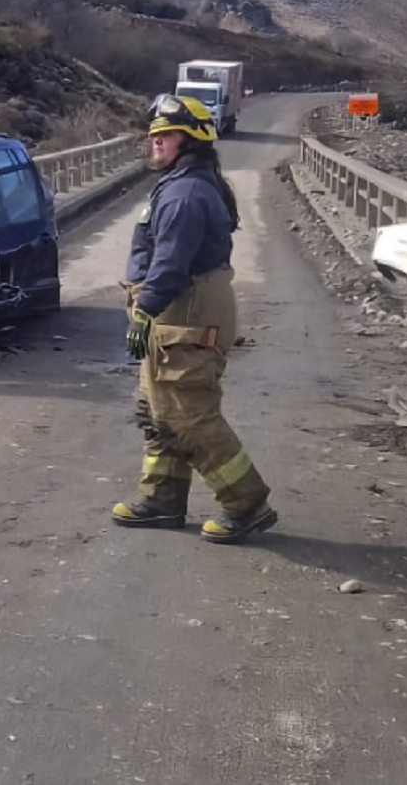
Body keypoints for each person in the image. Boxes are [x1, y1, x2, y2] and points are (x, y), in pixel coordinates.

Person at [111, 94, 277, 544]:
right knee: (157, 409)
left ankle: (246, 503)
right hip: (177, 309)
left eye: (166, 136)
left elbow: (169, 262)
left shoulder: (185, 193)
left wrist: (145, 309)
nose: (156, 143)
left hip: (184, 309)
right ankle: (162, 498)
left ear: (191, 141)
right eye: (155, 136)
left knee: (189, 413)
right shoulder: (186, 183)